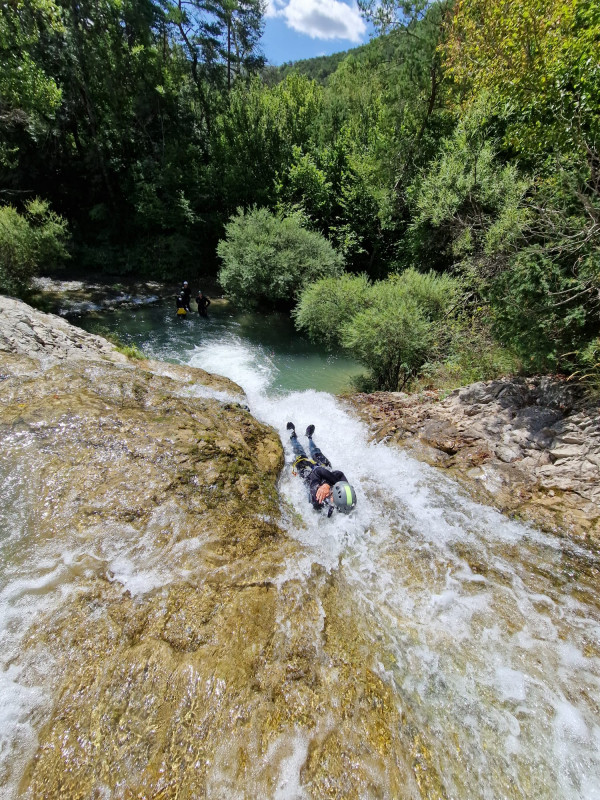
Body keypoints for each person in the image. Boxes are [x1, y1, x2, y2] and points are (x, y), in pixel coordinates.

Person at [287, 422, 357, 516]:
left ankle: (293, 437)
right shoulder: (345, 489)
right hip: (323, 470)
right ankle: (309, 437)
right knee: (316, 452)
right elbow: (339, 474)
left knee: (300, 453)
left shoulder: (317, 499)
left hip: (310, 474)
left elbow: (317, 472)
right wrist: (327, 484)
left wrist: (324, 485)